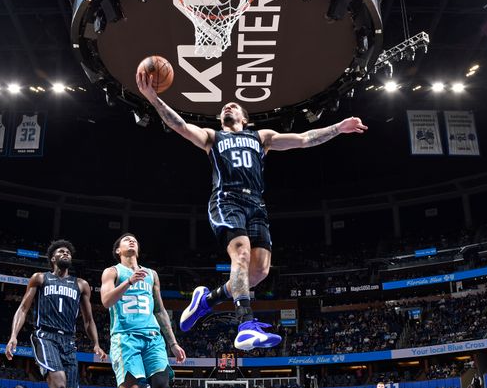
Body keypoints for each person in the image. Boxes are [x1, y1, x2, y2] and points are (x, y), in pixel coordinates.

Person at [136, 75, 368, 351]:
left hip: (256, 205)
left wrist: (338, 128)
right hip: (227, 199)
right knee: (242, 255)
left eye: (233, 106)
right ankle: (245, 325)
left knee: (258, 272)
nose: (227, 107)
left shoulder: (261, 137)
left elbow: (305, 139)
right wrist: (153, 99)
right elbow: (181, 126)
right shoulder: (213, 137)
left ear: (245, 118)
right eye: (224, 107)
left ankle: (206, 302)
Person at [5, 240, 107, 388]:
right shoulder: (40, 278)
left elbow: (88, 320)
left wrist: (96, 343)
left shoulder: (81, 285)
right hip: (45, 335)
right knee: (59, 385)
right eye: (61, 251)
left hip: (68, 342)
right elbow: (22, 308)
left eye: (69, 251)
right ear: (52, 258)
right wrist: (13, 336)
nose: (65, 253)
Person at [100, 233, 186, 388]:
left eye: (134, 239)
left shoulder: (151, 274)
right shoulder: (112, 271)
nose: (131, 241)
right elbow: (106, 301)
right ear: (117, 250)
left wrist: (173, 342)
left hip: (153, 338)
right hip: (125, 338)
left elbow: (159, 309)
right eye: (125, 240)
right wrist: (128, 283)